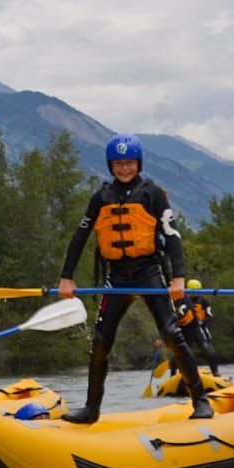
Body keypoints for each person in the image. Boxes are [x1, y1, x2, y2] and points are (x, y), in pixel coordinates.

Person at [56, 133, 212, 423]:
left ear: (137, 164)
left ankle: (201, 401)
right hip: (117, 277)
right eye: (118, 163)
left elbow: (172, 235)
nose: (124, 168)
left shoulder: (152, 194)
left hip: (148, 272)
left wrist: (178, 278)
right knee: (101, 341)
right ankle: (91, 409)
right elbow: (80, 237)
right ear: (110, 165)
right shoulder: (100, 198)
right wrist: (67, 278)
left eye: (129, 162)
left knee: (171, 334)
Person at [175, 278, 220, 376]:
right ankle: (175, 374)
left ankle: (215, 372)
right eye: (193, 291)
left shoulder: (203, 301)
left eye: (198, 291)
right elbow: (178, 314)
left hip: (200, 329)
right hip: (186, 330)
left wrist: (203, 322)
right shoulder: (182, 300)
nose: (196, 293)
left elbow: (209, 314)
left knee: (206, 348)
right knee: (181, 352)